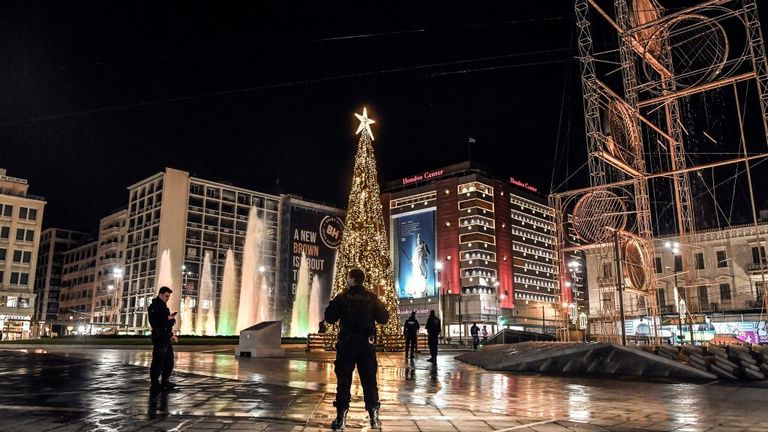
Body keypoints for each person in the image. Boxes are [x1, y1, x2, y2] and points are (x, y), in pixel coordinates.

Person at [324, 268, 389, 430]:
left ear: (352, 279)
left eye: (347, 278)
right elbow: (383, 318)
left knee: (344, 381)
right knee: (369, 381)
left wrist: (335, 302)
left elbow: (329, 318)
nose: (346, 280)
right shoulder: (372, 297)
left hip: (347, 344)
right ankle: (374, 419)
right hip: (366, 345)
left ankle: (341, 420)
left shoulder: (342, 297)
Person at [148, 286, 178, 393]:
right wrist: (167, 319)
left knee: (169, 361)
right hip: (159, 337)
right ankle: (155, 382)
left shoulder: (164, 307)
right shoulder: (154, 306)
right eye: (166, 296)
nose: (167, 298)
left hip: (166, 337)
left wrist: (171, 335)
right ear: (160, 294)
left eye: (169, 296)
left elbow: (166, 325)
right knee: (158, 360)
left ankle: (165, 380)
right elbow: (155, 323)